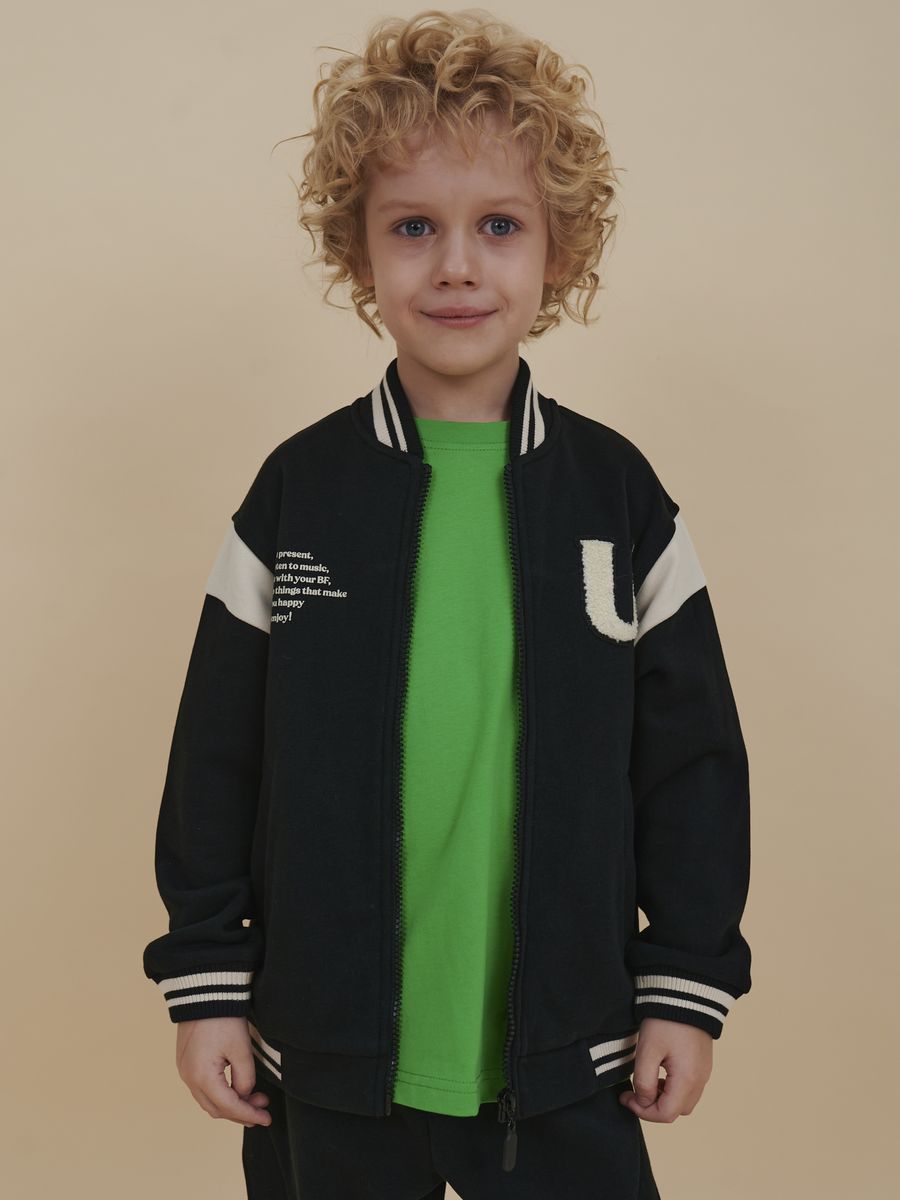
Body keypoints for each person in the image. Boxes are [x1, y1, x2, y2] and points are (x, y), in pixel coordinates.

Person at [141, 9, 752, 1198]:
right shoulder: (298, 493)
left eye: (500, 226)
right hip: (325, 1054)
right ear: (358, 250)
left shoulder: (617, 497)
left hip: (568, 1053)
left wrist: (685, 985)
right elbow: (215, 755)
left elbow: (692, 764)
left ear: (558, 250)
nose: (457, 266)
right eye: (414, 226)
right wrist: (206, 983)